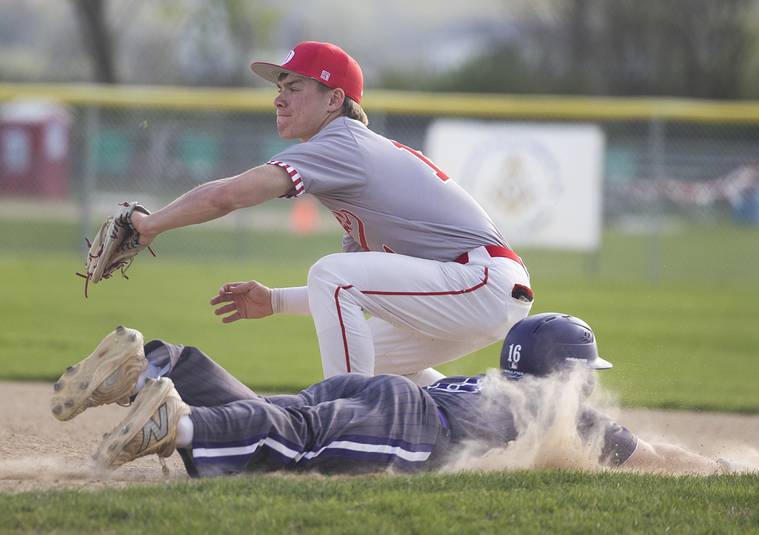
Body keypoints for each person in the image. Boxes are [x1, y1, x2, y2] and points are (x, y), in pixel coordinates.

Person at [123, 41, 532, 386]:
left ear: (334, 99)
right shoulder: (351, 164)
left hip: (480, 281)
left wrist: (148, 225)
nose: (279, 97)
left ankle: (346, 421)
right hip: (478, 287)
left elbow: (229, 195)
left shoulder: (342, 143)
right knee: (372, 360)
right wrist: (275, 301)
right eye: (280, 87)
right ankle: (475, 421)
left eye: (296, 86)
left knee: (330, 274)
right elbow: (357, 290)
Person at [50, 313, 742, 476]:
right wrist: (712, 467)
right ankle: (181, 424)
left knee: (294, 411)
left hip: (393, 390)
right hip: (413, 419)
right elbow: (650, 452)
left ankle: (152, 367)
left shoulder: (491, 382)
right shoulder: (557, 408)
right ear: (569, 375)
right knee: (300, 438)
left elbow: (428, 379)